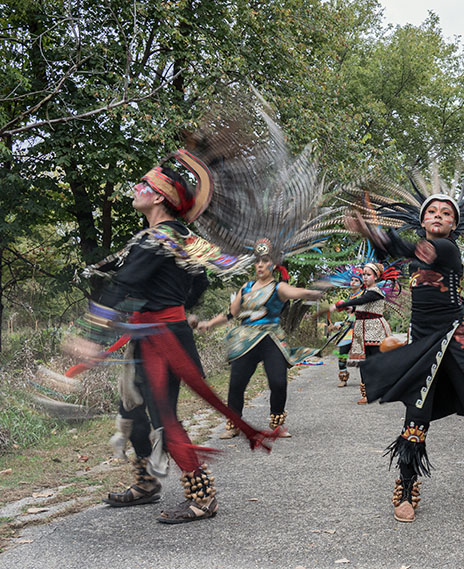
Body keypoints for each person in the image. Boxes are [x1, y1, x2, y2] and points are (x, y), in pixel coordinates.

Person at [66, 151, 281, 524]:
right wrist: (180, 306)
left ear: (159, 197)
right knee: (132, 412)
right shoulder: (177, 238)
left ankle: (203, 496)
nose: (136, 189)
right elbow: (198, 280)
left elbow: (125, 283)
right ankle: (147, 483)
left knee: (163, 416)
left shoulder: (160, 238)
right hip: (155, 332)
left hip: (161, 340)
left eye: (143, 185)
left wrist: (92, 334)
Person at [343, 172, 464, 523]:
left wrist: (373, 232)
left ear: (454, 225)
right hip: (422, 343)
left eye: (446, 213)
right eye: (433, 212)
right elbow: (407, 261)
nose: (439, 216)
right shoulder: (417, 258)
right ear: (422, 220)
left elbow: (407, 248)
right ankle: (407, 489)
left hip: (457, 343)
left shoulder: (444, 249)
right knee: (415, 421)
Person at [199, 238, 326, 438]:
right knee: (237, 383)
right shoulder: (246, 288)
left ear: (273, 264)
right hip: (246, 340)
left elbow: (294, 292)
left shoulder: (278, 288)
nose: (260, 265)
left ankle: (277, 424)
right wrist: (209, 324)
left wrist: (311, 293)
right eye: (257, 261)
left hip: (271, 338)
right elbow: (230, 313)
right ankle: (233, 424)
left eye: (265, 261)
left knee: (278, 382)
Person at [332, 261, 394, 404]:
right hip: (363, 330)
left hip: (375, 330)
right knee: (365, 362)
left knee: (376, 361)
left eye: (368, 274)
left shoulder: (375, 292)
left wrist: (343, 304)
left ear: (376, 277)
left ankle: (383, 390)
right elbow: (364, 306)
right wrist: (352, 310)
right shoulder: (367, 291)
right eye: (363, 274)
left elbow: (362, 300)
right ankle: (368, 393)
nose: (365, 277)